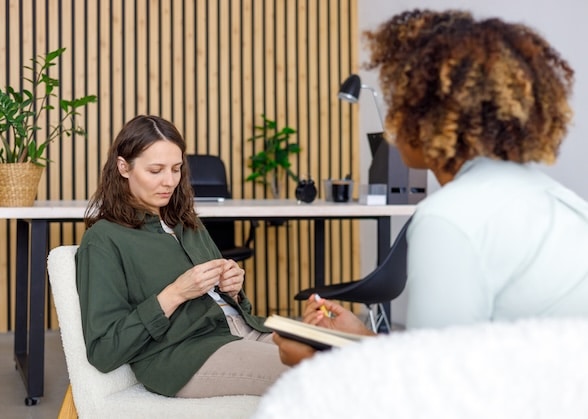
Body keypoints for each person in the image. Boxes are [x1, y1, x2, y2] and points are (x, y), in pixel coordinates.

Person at [274, 9, 588, 366]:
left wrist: (316, 365)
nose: (391, 123)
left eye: (400, 105)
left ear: (430, 117)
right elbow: (453, 361)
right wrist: (360, 341)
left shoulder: (449, 219)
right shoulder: (557, 199)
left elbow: (431, 396)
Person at [76, 115, 289, 397]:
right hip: (187, 355)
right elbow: (103, 350)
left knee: (340, 356)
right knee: (314, 374)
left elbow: (230, 306)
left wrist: (234, 291)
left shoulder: (187, 223)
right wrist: (176, 293)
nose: (169, 181)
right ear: (123, 167)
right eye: (155, 171)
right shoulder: (104, 239)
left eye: (176, 169)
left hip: (240, 330)